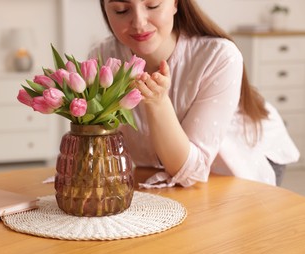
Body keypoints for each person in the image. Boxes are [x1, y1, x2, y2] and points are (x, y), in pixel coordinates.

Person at [89, 0, 299, 187]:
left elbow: (191, 173)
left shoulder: (219, 55)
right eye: (121, 9)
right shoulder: (104, 57)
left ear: (176, 4)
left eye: (152, 5)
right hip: (167, 168)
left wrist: (158, 102)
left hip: (244, 158)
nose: (139, 23)